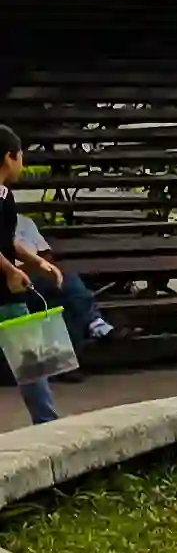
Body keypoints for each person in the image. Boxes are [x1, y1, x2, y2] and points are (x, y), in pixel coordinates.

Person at [0, 126, 111, 426]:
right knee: (29, 359)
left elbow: (6, 242)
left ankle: (46, 423)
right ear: (9, 158)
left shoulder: (5, 196)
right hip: (5, 285)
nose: (23, 162)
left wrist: (38, 262)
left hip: (7, 293)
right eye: (21, 155)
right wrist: (10, 269)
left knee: (31, 361)